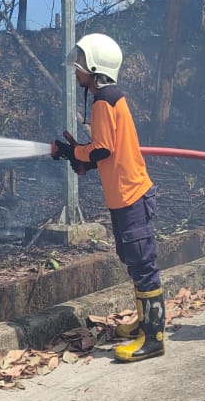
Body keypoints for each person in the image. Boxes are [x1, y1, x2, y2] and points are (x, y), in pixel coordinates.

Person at [50, 33, 163, 362]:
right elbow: (106, 152)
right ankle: (145, 325)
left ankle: (153, 339)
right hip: (126, 195)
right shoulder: (109, 97)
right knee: (136, 262)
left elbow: (101, 149)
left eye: (80, 65)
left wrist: (75, 152)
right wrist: (80, 155)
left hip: (130, 196)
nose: (76, 71)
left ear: (95, 67)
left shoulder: (103, 99)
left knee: (143, 265)